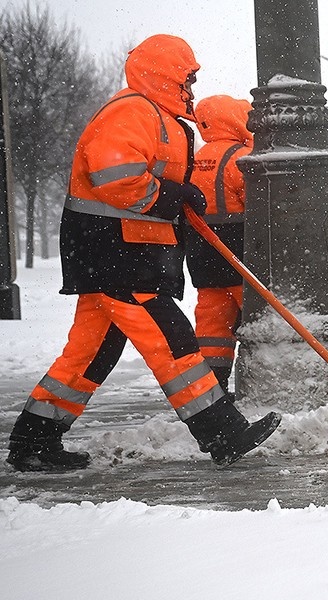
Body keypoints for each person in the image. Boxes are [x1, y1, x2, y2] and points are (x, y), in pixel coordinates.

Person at [5, 35, 280, 472]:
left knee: (89, 354)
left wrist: (181, 198)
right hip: (116, 255)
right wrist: (173, 195)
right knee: (172, 342)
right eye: (187, 76)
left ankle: (32, 441)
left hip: (121, 255)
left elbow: (143, 184)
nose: (191, 85)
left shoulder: (159, 117)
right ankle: (222, 433)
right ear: (165, 74)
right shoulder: (132, 110)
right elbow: (116, 176)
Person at [186, 94, 253, 395]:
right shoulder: (240, 159)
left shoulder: (193, 158)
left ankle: (212, 387)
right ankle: (262, 368)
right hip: (237, 253)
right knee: (254, 315)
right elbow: (257, 205)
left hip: (201, 255)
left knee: (212, 323)